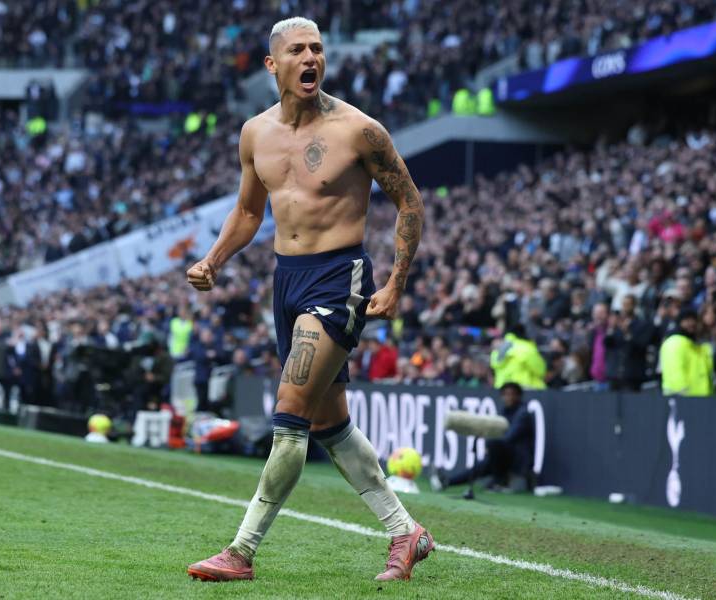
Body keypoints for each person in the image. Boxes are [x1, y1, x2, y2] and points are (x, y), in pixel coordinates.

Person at [185, 17, 432, 583]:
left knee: (290, 418)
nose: (310, 58)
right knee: (329, 423)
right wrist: (213, 261)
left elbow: (410, 203)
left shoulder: (359, 130)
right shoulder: (255, 133)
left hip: (337, 278)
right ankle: (405, 532)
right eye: (297, 50)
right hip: (285, 279)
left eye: (317, 49)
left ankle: (241, 552)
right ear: (273, 64)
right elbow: (249, 213)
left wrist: (394, 283)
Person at [430, 382, 535, 492]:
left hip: (518, 461)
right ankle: (447, 482)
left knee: (492, 446)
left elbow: (509, 438)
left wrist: (490, 448)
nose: (508, 397)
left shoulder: (523, 414)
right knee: (481, 466)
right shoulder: (506, 411)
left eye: (511, 394)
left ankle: (499, 481)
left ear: (518, 396)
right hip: (505, 458)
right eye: (505, 394)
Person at [658, 307, 714, 397]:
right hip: (683, 400)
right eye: (687, 320)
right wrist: (683, 398)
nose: (692, 323)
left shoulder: (698, 345)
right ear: (679, 322)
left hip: (702, 399)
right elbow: (675, 374)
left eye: (694, 320)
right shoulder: (674, 342)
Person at [490, 324, 546, 390]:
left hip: (502, 389)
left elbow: (494, 364)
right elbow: (540, 370)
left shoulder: (499, 347)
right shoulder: (527, 347)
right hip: (524, 389)